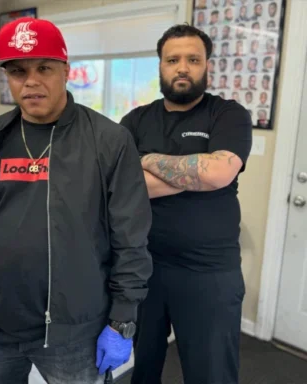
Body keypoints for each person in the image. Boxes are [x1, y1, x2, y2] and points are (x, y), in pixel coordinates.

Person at [0, 16, 153, 384]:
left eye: (44, 68)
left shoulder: (109, 142)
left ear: (66, 70)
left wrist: (122, 320)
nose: (30, 81)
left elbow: (131, 239)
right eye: (17, 70)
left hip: (76, 336)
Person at [118, 24, 253, 384]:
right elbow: (121, 186)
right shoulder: (135, 120)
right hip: (143, 266)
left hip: (209, 272)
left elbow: (218, 173)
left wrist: (145, 160)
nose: (182, 67)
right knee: (142, 367)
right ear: (160, 66)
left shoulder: (228, 114)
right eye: (173, 59)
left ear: (207, 65)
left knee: (211, 372)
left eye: (193, 59)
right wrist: (195, 173)